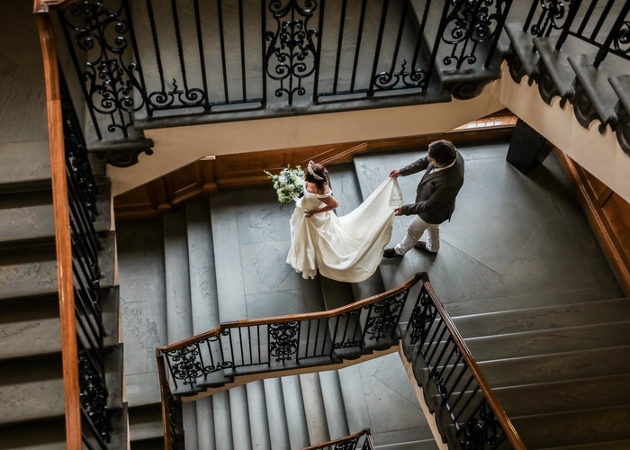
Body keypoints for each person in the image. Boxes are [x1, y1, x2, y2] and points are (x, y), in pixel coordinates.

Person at [286, 161, 402, 282]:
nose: (306, 179)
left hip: (313, 216)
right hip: (303, 211)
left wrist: (315, 212)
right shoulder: (314, 181)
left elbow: (334, 204)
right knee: (302, 234)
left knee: (316, 239)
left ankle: (315, 258)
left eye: (308, 178)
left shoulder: (322, 191)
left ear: (315, 181)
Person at [383, 139, 464, 258]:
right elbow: (424, 161)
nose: (428, 159)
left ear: (442, 162)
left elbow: (430, 205)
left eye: (432, 159)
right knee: (433, 226)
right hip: (436, 208)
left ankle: (399, 251)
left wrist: (404, 210)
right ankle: (433, 248)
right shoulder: (451, 153)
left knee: (413, 229)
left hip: (433, 212)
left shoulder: (450, 182)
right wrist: (402, 171)